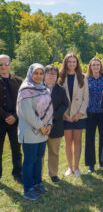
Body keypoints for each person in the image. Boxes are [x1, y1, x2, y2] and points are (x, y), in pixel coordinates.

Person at [17, 63, 53, 201]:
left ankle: (38, 184)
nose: (38, 76)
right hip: (30, 132)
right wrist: (41, 127)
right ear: (30, 74)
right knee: (30, 161)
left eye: (41, 73)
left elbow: (49, 108)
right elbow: (27, 112)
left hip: (43, 133)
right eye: (35, 73)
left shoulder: (44, 89)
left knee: (38, 160)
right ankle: (28, 189)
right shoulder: (25, 90)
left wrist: (49, 125)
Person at [58, 53, 89, 177]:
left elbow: (86, 98)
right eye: (69, 61)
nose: (71, 64)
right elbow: (58, 98)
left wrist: (79, 113)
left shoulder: (82, 77)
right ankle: (69, 167)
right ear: (66, 63)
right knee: (68, 143)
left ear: (77, 63)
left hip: (78, 115)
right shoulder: (60, 77)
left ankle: (76, 167)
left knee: (77, 142)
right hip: (65, 114)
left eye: (74, 61)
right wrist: (65, 115)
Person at [85, 57, 103, 173]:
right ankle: (91, 165)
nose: (95, 67)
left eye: (97, 65)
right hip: (90, 113)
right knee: (89, 138)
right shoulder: (86, 80)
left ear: (101, 67)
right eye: (93, 65)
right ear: (90, 67)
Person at [44, 65, 68, 183]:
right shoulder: (37, 88)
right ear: (44, 75)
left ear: (57, 76)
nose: (51, 76)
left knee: (54, 151)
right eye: (49, 73)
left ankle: (53, 174)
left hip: (55, 124)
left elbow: (65, 104)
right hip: (40, 126)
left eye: (54, 74)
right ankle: (37, 175)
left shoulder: (61, 90)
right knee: (39, 153)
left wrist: (54, 115)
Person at [0, 54, 22, 183]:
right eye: (0, 64)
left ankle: (18, 173)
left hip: (15, 121)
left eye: (6, 64)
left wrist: (14, 116)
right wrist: (6, 115)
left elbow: (22, 102)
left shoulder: (19, 81)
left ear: (10, 64)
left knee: (16, 149)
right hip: (0, 121)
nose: (3, 67)